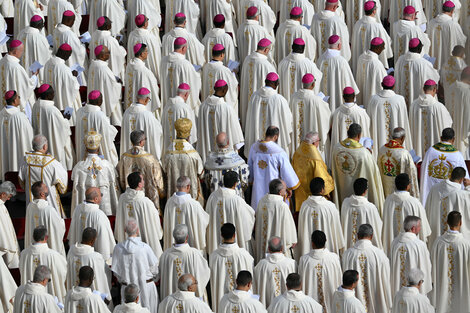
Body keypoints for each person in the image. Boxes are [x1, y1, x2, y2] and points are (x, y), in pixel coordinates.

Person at [331, 123, 384, 212]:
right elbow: (373, 173)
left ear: (348, 133)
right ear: (359, 135)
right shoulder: (363, 153)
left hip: (342, 188)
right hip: (360, 195)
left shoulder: (337, 148)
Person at [112, 220, 159, 313]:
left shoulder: (118, 248)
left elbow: (116, 272)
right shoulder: (145, 248)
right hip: (146, 287)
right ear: (138, 231)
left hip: (127, 290)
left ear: (125, 230)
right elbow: (155, 269)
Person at [342, 224, 391, 313]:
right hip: (376, 303)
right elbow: (386, 281)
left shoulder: (347, 254)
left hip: (353, 306)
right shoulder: (380, 255)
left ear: (357, 235)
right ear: (372, 236)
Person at [248, 126, 300, 209]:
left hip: (258, 187)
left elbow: (249, 166)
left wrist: (250, 181)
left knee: (260, 208)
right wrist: (289, 187)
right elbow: (286, 172)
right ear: (276, 137)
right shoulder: (279, 152)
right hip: (274, 188)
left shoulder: (254, 147)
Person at [71, 131, 120, 216]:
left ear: (86, 148)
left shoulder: (79, 167)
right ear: (98, 149)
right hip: (105, 204)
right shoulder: (107, 165)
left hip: (86, 209)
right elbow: (114, 188)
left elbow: (77, 191)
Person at [115, 172, 163, 258]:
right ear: (140, 184)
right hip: (143, 240)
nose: (144, 181)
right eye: (143, 180)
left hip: (127, 240)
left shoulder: (122, 198)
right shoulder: (145, 202)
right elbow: (154, 220)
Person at [206, 171, 254, 254]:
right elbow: (249, 217)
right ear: (235, 184)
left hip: (216, 240)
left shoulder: (212, 197)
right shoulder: (237, 200)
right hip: (234, 244)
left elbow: (207, 217)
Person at [245, 72, 293, 157]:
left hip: (257, 144)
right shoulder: (280, 99)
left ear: (265, 81)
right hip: (274, 148)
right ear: (276, 83)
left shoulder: (254, 96)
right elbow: (288, 121)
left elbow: (249, 119)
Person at [19, 135, 68, 217]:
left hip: (32, 199)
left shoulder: (25, 160)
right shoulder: (51, 162)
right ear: (45, 146)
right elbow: (62, 183)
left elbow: (21, 181)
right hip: (49, 199)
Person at [431, 211, 470, 313]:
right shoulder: (465, 244)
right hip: (462, 288)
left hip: (442, 286)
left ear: (447, 222)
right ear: (461, 223)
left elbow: (432, 266)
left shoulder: (438, 243)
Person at [209, 223, 254, 312]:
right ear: (234, 235)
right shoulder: (244, 255)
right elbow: (251, 273)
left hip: (222, 303)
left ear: (221, 235)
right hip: (244, 304)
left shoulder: (214, 256)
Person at [197, 80, 244, 163]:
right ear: (224, 90)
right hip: (225, 153)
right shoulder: (227, 108)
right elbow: (236, 135)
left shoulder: (203, 106)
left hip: (208, 152)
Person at [159, 224, 210, 301]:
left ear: (174, 238)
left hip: (172, 301)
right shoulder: (194, 254)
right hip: (191, 301)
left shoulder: (165, 255)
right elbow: (205, 273)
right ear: (187, 237)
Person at [117, 130, 165, 212]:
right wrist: (162, 193)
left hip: (129, 197)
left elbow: (121, 179)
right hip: (148, 198)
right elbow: (158, 180)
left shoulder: (124, 157)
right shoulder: (150, 158)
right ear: (141, 142)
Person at [383, 175, 431, 254]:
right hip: (411, 247)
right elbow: (424, 227)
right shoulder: (414, 202)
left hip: (393, 244)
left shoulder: (388, 200)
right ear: (408, 186)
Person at [31, 84, 74, 170]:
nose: (54, 94)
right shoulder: (52, 110)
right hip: (53, 143)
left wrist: (59, 114)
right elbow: (62, 128)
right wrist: (65, 119)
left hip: (41, 142)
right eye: (52, 93)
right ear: (48, 95)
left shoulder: (36, 105)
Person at [297, 177, 343, 256]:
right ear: (322, 190)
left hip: (308, 252)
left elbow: (302, 229)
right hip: (328, 250)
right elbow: (336, 228)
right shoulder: (330, 206)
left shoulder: (304, 206)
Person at [19, 226, 67, 302]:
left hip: (29, 295)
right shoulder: (54, 255)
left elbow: (22, 270)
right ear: (46, 237)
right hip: (48, 295)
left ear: (33, 237)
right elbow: (62, 273)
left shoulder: (24, 254)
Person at [368, 76, 412, 158]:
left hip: (379, 141)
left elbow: (369, 123)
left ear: (381, 84)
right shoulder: (399, 99)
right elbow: (403, 121)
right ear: (394, 86)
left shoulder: (373, 99)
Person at [420, 129, 468, 205]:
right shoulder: (457, 154)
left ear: (441, 138)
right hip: (450, 196)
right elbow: (463, 176)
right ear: (453, 139)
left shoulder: (431, 150)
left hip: (432, 192)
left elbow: (424, 169)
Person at [68, 187, 115, 262]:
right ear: (96, 199)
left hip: (78, 255)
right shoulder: (99, 215)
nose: (101, 197)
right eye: (100, 195)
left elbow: (72, 233)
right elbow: (104, 239)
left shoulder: (77, 209)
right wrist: (105, 257)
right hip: (93, 259)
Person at [298, 231, 342, 312]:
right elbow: (339, 280)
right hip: (331, 303)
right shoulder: (334, 258)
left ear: (312, 243)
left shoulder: (304, 260)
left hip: (311, 306)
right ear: (325, 241)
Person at [255, 179, 298, 262]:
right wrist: (292, 240)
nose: (285, 193)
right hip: (278, 250)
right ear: (280, 192)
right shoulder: (282, 206)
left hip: (263, 245)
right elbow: (289, 228)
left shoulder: (261, 202)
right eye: (285, 190)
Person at [425, 167, 470, 245]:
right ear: (461, 180)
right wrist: (468, 187)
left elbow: (427, 209)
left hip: (436, 236)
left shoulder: (434, 188)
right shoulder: (462, 195)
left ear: (451, 175)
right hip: (457, 242)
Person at [389, 216, 432, 298]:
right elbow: (426, 267)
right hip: (415, 291)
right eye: (419, 226)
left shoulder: (394, 243)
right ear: (413, 228)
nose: (420, 229)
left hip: (398, 290)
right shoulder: (419, 245)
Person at [290, 74, 331, 158]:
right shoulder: (316, 100)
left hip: (297, 141)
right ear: (313, 85)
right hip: (312, 140)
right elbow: (327, 118)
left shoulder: (293, 97)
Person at [163, 119, 204, 203]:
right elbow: (201, 174)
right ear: (189, 136)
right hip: (191, 195)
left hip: (173, 196)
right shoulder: (193, 154)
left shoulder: (168, 152)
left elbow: (164, 172)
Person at [163, 176, 209, 251]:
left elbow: (166, 225)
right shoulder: (193, 204)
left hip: (174, 247)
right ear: (188, 187)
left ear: (177, 186)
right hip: (191, 247)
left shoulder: (169, 203)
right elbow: (204, 222)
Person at [409, 80, 453, 158]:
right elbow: (448, 124)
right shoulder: (439, 107)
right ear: (435, 90)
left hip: (418, 146)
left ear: (423, 89)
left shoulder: (414, 105)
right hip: (435, 148)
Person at [239, 38, 276, 127]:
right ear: (266, 50)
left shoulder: (247, 59)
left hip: (247, 97)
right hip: (259, 100)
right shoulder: (266, 65)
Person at [66, 228, 112, 301]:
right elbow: (104, 276)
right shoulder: (95, 257)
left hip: (74, 293)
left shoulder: (71, 251)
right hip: (89, 298)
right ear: (93, 240)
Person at [75, 90, 119, 166]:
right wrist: (114, 130)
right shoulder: (100, 116)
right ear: (99, 101)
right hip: (98, 150)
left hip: (83, 147)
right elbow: (108, 135)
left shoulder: (79, 111)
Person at [42, 43, 81, 125]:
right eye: (69, 55)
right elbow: (73, 88)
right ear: (65, 54)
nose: (69, 57)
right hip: (62, 101)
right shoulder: (64, 69)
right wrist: (74, 77)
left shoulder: (48, 63)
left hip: (50, 100)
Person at [395, 38, 440, 107]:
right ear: (419, 49)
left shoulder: (400, 60)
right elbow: (435, 79)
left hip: (402, 99)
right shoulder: (424, 64)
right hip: (417, 104)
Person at [120, 87, 163, 160]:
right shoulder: (148, 115)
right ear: (146, 99)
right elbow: (158, 133)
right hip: (143, 159)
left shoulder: (126, 112)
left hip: (128, 157)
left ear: (137, 97)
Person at [160, 37, 201, 112]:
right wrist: (198, 73)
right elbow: (194, 81)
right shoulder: (185, 64)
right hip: (182, 106)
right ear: (183, 48)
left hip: (168, 101)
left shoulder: (163, 61)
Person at [24, 182, 66, 256]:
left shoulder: (30, 207)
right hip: (47, 251)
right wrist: (62, 221)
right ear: (42, 194)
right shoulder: (49, 210)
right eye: (46, 187)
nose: (48, 187)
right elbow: (59, 229)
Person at [317, 35, 358, 111]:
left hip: (322, 98)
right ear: (339, 46)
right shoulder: (341, 61)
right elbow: (348, 81)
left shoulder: (320, 59)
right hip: (338, 100)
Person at [254, 237, 297, 307]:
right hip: (287, 307)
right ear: (282, 248)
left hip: (268, 306)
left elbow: (255, 288)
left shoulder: (261, 265)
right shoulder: (291, 264)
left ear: (269, 249)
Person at [204, 133, 250, 198]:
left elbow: (207, 182)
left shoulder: (210, 160)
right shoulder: (237, 159)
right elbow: (244, 181)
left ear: (216, 143)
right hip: (234, 197)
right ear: (228, 142)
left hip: (216, 197)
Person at [341, 178, 383, 249]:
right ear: (365, 191)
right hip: (365, 247)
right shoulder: (370, 207)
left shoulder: (345, 203)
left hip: (348, 247)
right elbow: (379, 228)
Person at [0, 90, 34, 179]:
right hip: (18, 149)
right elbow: (29, 135)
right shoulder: (20, 116)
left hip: (5, 150)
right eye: (18, 97)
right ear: (15, 101)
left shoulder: (1, 114)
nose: (19, 99)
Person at [351, 2, 392, 74]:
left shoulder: (357, 24)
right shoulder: (377, 26)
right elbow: (386, 41)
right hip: (374, 64)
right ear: (374, 11)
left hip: (360, 61)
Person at [378, 127, 419, 198]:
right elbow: (412, 174)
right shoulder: (404, 153)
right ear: (402, 138)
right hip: (399, 194)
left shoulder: (382, 150)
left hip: (384, 190)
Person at [0, 40, 38, 116]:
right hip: (14, 103)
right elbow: (27, 86)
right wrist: (34, 76)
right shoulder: (16, 67)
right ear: (15, 51)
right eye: (21, 51)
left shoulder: (2, 61)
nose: (22, 53)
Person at [88, 44, 123, 125]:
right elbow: (112, 87)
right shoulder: (103, 68)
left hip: (95, 96)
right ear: (103, 56)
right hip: (104, 98)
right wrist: (119, 84)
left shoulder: (93, 64)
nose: (109, 54)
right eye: (108, 52)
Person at [278, 38, 322, 103]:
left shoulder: (282, 63)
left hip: (285, 102)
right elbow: (318, 79)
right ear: (304, 49)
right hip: (303, 103)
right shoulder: (309, 64)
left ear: (292, 47)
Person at [329, 87, 370, 155]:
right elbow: (367, 127)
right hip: (358, 152)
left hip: (341, 153)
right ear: (354, 96)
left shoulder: (337, 113)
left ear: (343, 97)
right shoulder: (361, 113)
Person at [428, 1, 467, 70]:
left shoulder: (431, 23)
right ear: (452, 11)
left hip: (434, 60)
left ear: (442, 9)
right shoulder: (453, 25)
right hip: (448, 63)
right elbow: (461, 41)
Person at [201, 44, 239, 110]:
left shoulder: (205, 67)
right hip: (220, 107)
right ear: (222, 55)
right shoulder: (224, 70)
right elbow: (233, 86)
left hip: (207, 104)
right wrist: (233, 73)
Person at [125, 43, 161, 112]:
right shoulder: (144, 71)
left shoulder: (129, 65)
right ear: (142, 54)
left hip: (131, 103)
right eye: (146, 51)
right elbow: (153, 87)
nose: (147, 53)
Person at [89, 17, 127, 82]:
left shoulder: (94, 35)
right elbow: (119, 55)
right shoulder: (111, 40)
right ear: (107, 26)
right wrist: (120, 47)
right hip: (109, 69)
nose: (111, 24)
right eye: (110, 23)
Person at [161, 84, 197, 151]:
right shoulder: (185, 108)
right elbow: (191, 128)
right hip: (182, 147)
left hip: (168, 146)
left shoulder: (167, 106)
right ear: (186, 94)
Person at [354, 38, 387, 108]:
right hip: (372, 96)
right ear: (378, 48)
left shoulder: (361, 57)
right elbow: (382, 83)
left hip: (362, 93)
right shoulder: (377, 63)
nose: (383, 49)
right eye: (382, 47)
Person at [17, 15, 50, 83]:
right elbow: (46, 56)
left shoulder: (21, 33)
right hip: (35, 70)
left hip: (23, 66)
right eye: (42, 25)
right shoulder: (40, 37)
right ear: (38, 25)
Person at [128, 14, 162, 80]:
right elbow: (157, 56)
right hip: (149, 71)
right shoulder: (151, 37)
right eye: (147, 20)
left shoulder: (131, 35)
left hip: (135, 70)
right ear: (145, 24)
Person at [449, 67, 470, 158]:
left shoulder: (451, 86)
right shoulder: (467, 90)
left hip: (450, 126)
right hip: (463, 130)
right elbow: (468, 113)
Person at [0, 181, 20, 268]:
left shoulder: (2, 205)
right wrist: (7, 244)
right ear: (3, 194)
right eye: (9, 196)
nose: (9, 199)